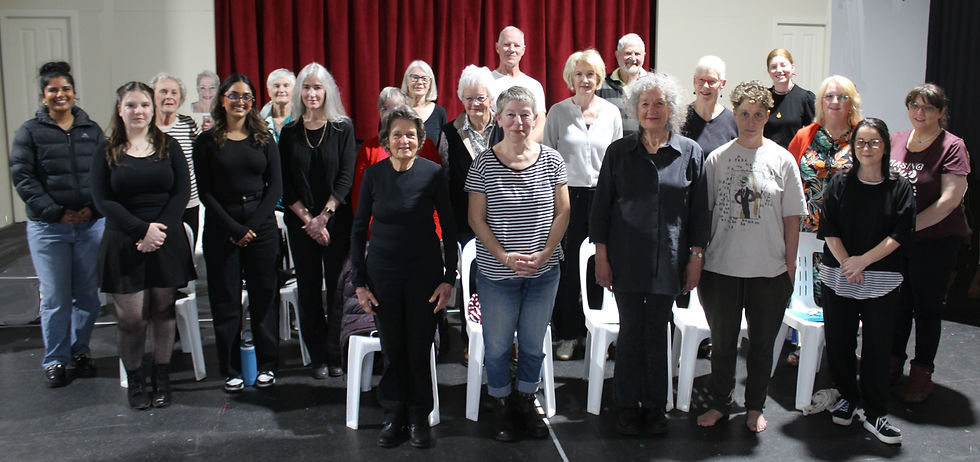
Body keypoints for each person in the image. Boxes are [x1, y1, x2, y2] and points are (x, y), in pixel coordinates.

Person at [591, 72, 708, 435]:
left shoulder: (690, 152)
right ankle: (627, 404)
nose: (652, 110)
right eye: (645, 103)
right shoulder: (618, 152)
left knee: (658, 332)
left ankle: (655, 406)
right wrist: (602, 256)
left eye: (659, 103)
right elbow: (602, 209)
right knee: (629, 333)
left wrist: (696, 257)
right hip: (625, 259)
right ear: (635, 109)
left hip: (669, 260)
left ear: (671, 108)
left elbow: (699, 212)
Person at [696, 80, 806, 433]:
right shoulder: (717, 158)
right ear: (736, 113)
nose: (751, 120)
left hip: (769, 272)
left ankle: (755, 406)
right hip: (722, 269)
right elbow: (707, 213)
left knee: (761, 346)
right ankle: (719, 404)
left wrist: (789, 267)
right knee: (724, 345)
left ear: (768, 116)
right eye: (744, 113)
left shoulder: (782, 159)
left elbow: (793, 219)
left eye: (759, 114)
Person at [466, 86, 569, 442]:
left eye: (526, 114)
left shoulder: (553, 160)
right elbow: (476, 219)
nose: (518, 121)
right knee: (496, 347)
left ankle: (525, 401)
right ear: (498, 118)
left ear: (536, 118)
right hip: (497, 275)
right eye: (510, 114)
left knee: (531, 344)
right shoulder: (482, 163)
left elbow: (564, 211)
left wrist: (543, 255)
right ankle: (500, 404)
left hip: (544, 272)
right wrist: (505, 257)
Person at [351, 105, 457, 449]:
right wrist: (360, 283)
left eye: (410, 134)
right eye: (397, 134)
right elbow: (357, 230)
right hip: (383, 276)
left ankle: (418, 416)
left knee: (418, 348)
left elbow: (450, 227)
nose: (404, 140)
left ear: (420, 138)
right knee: (393, 349)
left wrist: (449, 279)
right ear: (387, 139)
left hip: (425, 275)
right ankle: (393, 414)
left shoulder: (432, 173)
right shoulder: (374, 175)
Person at [91, 81, 195, 409]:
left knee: (163, 310)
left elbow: (181, 192)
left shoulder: (169, 146)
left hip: (165, 237)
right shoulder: (106, 150)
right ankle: (135, 378)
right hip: (125, 240)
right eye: (132, 105)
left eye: (144, 105)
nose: (139, 111)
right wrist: (141, 230)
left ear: (153, 110)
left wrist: (159, 231)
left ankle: (161, 376)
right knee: (131, 319)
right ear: (120, 110)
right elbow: (102, 199)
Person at [819, 118, 915, 444]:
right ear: (853, 145)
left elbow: (900, 234)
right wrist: (849, 263)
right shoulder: (839, 183)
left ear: (885, 146)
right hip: (839, 276)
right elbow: (829, 229)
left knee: (876, 348)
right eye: (861, 142)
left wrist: (863, 261)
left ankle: (875, 412)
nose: (867, 148)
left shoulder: (899, 187)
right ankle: (847, 396)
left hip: (882, 280)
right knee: (840, 342)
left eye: (874, 142)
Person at [10, 61, 105, 388]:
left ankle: (80, 350)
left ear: (74, 92)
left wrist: (91, 208)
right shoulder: (29, 132)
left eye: (65, 89)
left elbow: (104, 175)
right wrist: (55, 212)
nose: (60, 94)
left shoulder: (92, 130)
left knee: (87, 296)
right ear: (43, 95)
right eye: (53, 90)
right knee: (54, 297)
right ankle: (56, 358)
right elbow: (23, 178)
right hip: (49, 228)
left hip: (90, 225)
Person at [194, 73, 282, 392]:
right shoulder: (206, 141)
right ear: (222, 99)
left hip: (261, 226)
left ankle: (267, 365)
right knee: (225, 299)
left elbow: (276, 189)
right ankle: (230, 368)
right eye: (234, 96)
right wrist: (235, 228)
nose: (241, 102)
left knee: (264, 297)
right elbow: (205, 192)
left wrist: (252, 227)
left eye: (247, 97)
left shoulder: (263, 137)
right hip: (222, 227)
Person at [890, 83, 971, 402]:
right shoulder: (897, 140)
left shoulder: (952, 146)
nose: (919, 113)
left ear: (940, 112)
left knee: (926, 307)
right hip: (899, 241)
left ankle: (921, 373)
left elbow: (950, 199)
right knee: (898, 305)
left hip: (936, 239)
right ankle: (892, 365)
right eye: (914, 106)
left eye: (927, 107)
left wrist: (908, 229)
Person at [543, 49, 623, 361]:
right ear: (570, 78)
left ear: (599, 77)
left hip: (603, 197)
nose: (585, 80)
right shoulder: (558, 112)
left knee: (600, 267)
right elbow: (547, 157)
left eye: (590, 74)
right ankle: (567, 334)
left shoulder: (611, 113)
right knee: (567, 269)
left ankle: (596, 333)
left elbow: (616, 162)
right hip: (567, 198)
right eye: (579, 74)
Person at [279, 62, 356, 379]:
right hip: (301, 223)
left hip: (335, 220)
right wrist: (309, 220)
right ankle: (317, 355)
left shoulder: (342, 128)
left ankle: (336, 351)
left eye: (318, 87)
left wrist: (323, 217)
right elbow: (286, 183)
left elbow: (346, 178)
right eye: (307, 87)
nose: (312, 93)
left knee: (338, 288)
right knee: (309, 288)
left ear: (328, 91)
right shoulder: (289, 131)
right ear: (300, 92)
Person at [788, 75, 863, 233]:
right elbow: (787, 181)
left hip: (849, 228)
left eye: (842, 97)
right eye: (829, 96)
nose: (835, 102)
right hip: (807, 229)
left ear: (851, 103)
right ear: (821, 102)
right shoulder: (803, 136)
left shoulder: (863, 137)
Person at [440, 65, 502, 245]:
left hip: (502, 219)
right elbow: (445, 178)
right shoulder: (449, 133)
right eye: (469, 98)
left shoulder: (505, 127)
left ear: (490, 99)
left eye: (480, 98)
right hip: (463, 220)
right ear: (462, 99)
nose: (475, 103)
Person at [151, 73, 201, 239]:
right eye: (163, 92)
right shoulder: (146, 128)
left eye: (174, 92)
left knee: (186, 256)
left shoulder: (189, 124)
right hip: (158, 206)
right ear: (152, 95)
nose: (169, 97)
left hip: (189, 205)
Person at [490, 26, 547, 142]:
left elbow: (541, 126)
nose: (512, 49)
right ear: (497, 47)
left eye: (516, 45)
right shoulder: (485, 82)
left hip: (527, 155)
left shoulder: (534, 85)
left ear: (523, 50)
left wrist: (520, 148)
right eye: (507, 44)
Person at [682, 55, 737, 158]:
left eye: (712, 81)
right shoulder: (680, 118)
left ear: (722, 84)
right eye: (701, 80)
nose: (705, 86)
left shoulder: (733, 121)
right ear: (694, 81)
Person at [595, 33, 648, 136]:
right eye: (628, 53)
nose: (633, 58)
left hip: (645, 150)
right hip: (613, 150)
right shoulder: (601, 85)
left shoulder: (653, 86)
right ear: (617, 55)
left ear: (644, 56)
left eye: (637, 54)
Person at [762, 49, 815, 148]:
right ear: (769, 71)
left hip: (793, 159)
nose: (779, 70)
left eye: (783, 65)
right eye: (774, 67)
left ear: (793, 68)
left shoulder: (805, 98)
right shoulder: (763, 98)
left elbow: (814, 135)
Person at [401, 60, 447, 147]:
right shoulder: (397, 110)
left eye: (424, 79)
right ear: (407, 81)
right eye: (415, 77)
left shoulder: (439, 113)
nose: (419, 82)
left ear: (430, 83)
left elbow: (443, 149)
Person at [259, 68, 295, 142]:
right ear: (269, 91)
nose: (281, 90)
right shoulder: (259, 122)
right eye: (276, 86)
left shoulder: (304, 119)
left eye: (286, 85)